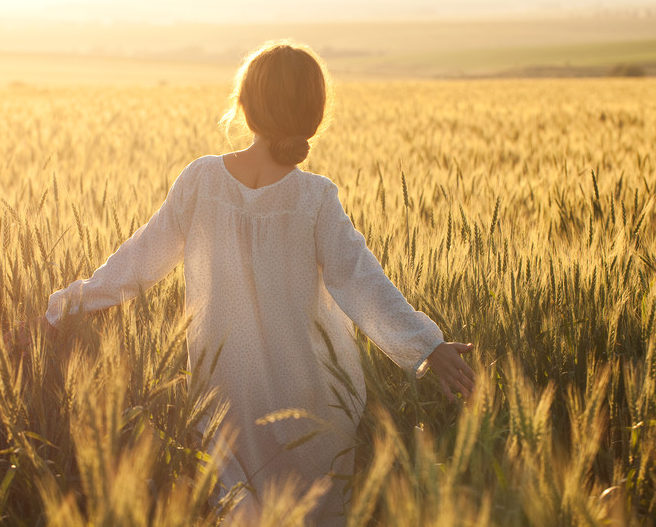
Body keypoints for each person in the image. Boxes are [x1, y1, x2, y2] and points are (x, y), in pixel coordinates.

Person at [40, 41, 475, 524]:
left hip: (224, 398)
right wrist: (426, 346)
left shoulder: (201, 180)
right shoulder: (314, 197)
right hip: (312, 402)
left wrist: (62, 309)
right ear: (314, 115)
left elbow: (137, 262)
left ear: (244, 106)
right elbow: (362, 282)